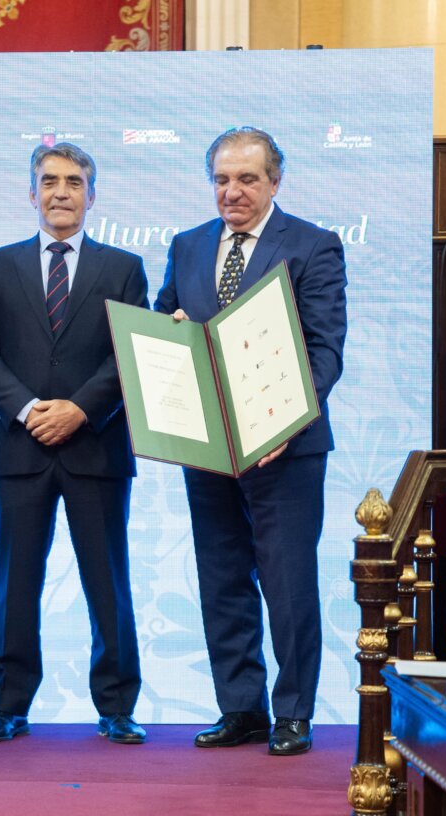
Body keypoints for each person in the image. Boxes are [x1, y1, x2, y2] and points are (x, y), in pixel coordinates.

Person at [154, 126, 346, 756]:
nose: (231, 192)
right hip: (207, 446)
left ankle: (293, 712)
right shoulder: (187, 247)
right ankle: (241, 708)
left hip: (285, 450)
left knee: (287, 581)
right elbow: (162, 324)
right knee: (222, 577)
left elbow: (324, 351)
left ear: (275, 181)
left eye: (247, 179)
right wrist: (169, 334)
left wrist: (283, 424)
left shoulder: (314, 246)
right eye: (221, 180)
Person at [0, 142, 148, 745]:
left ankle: (117, 706)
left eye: (73, 182)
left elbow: (131, 351)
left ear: (92, 196)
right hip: (20, 447)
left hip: (95, 446)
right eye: (49, 181)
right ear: (32, 193)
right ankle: (8, 704)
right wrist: (28, 410)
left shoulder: (124, 268)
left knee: (108, 579)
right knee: (15, 581)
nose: (61, 192)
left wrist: (79, 410)